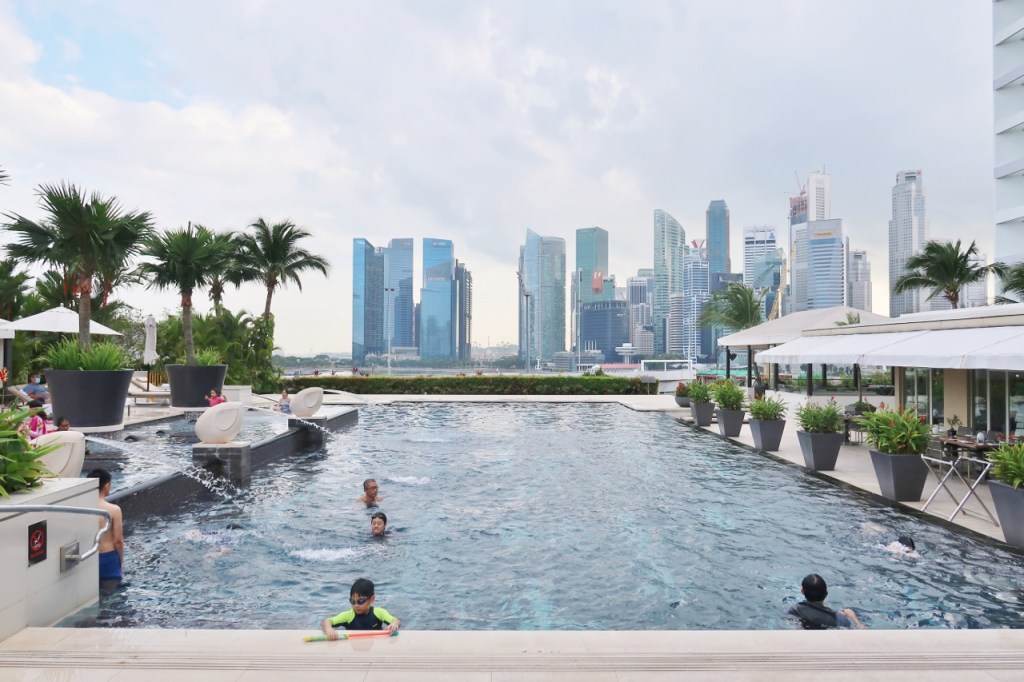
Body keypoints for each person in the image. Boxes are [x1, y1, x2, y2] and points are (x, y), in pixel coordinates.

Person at [320, 578, 400, 638]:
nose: (356, 605)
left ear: (371, 600)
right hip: (354, 644)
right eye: (352, 601)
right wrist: (329, 629)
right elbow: (327, 621)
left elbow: (396, 621)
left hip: (374, 643)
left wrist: (394, 624)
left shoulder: (379, 613)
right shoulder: (348, 615)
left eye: (360, 601)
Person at [87, 468, 124, 588]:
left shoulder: (81, 507)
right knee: (112, 596)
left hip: (88, 556)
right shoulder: (114, 510)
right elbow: (118, 540)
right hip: (108, 557)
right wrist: (120, 562)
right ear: (107, 486)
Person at [787, 574, 864, 629]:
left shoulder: (794, 610)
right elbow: (862, 634)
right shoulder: (837, 618)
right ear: (826, 593)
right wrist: (854, 618)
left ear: (802, 591)